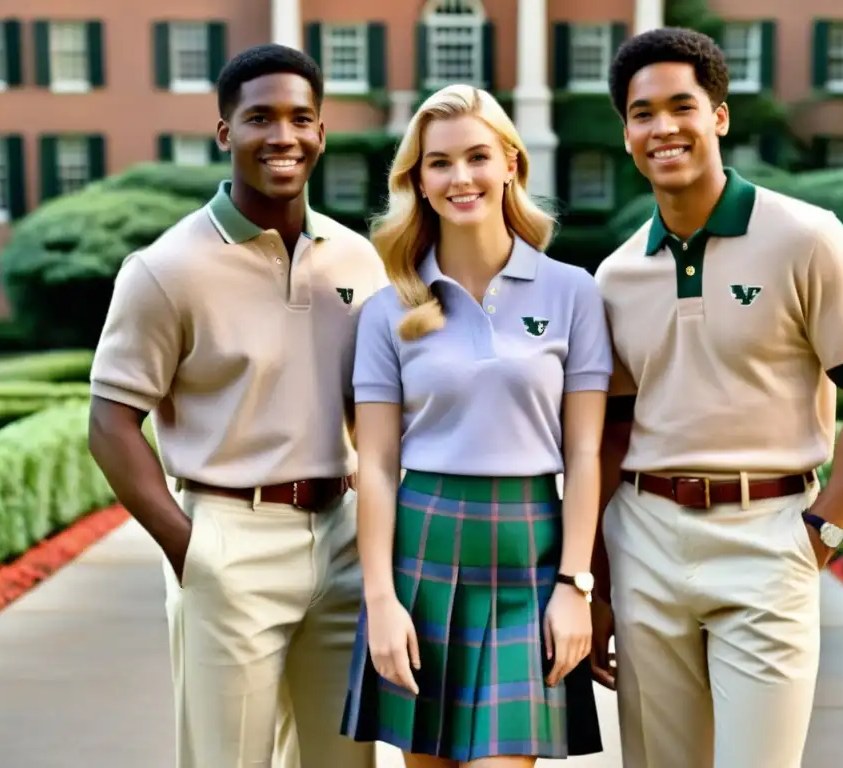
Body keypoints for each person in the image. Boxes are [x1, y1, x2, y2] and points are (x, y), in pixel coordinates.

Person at [589, 27, 843, 768]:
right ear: (627, 132)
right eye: (643, 113)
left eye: (682, 106)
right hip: (646, 540)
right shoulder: (614, 277)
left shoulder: (806, 237)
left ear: (719, 117)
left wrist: (822, 534)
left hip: (770, 534)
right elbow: (609, 439)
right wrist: (601, 583)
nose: (663, 127)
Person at [87, 43, 385, 768]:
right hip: (230, 536)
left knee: (345, 760)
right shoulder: (166, 268)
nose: (281, 136)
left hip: (343, 538)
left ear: (321, 133)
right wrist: (191, 549)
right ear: (225, 132)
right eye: (260, 118)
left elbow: (374, 408)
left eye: (300, 119)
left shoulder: (356, 258)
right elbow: (110, 423)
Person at [339, 84, 611, 767]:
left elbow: (584, 452)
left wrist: (576, 587)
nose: (461, 177)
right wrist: (381, 601)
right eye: (439, 163)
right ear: (419, 182)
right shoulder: (386, 310)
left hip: (532, 552)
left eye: (478, 156)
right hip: (421, 549)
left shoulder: (572, 291)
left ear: (511, 164)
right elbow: (374, 465)